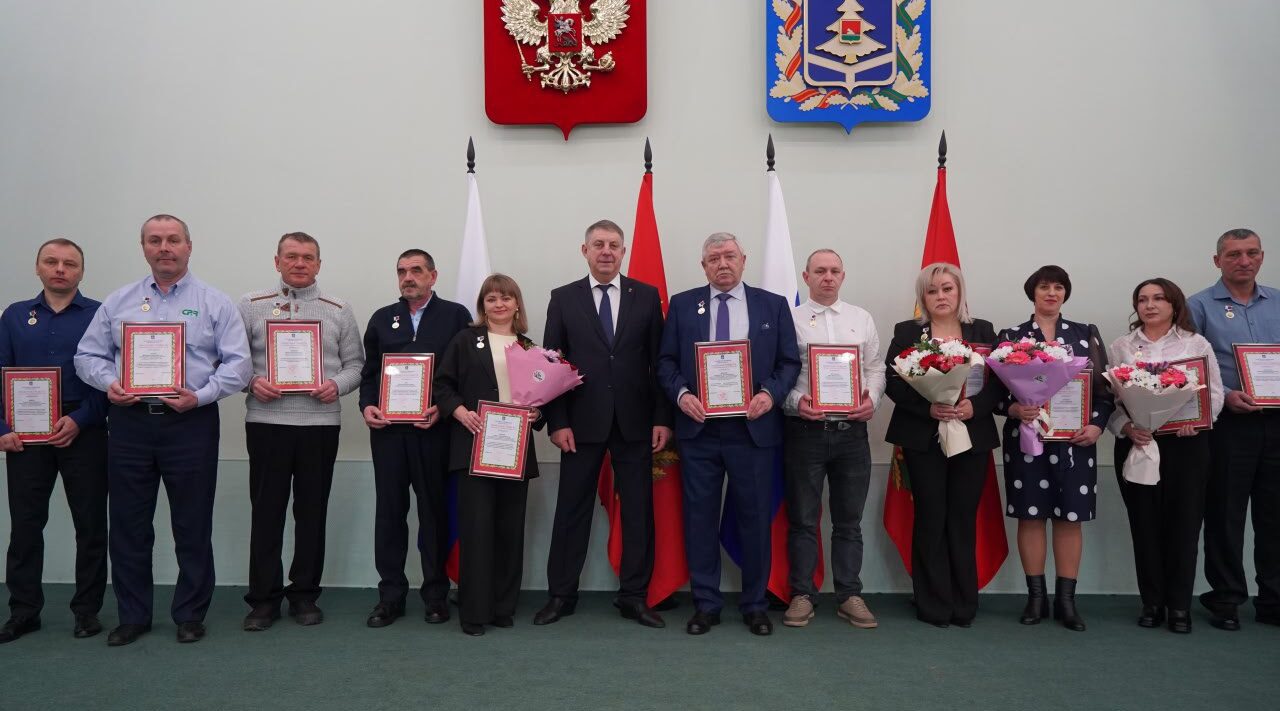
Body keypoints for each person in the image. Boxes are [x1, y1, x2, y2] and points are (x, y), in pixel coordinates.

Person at [75, 214, 251, 645]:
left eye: (173, 239)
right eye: (155, 240)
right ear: (144, 248)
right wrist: (110, 383)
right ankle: (133, 616)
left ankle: (190, 615)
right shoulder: (118, 302)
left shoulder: (214, 302)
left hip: (191, 423)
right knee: (129, 524)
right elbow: (87, 357)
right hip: (130, 423)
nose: (164, 248)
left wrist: (201, 396)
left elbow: (239, 364)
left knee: (192, 523)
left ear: (189, 246)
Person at [656, 233, 801, 636]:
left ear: (743, 259)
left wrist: (769, 394)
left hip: (752, 430)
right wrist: (682, 395)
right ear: (703, 265)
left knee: (755, 519)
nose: (723, 263)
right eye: (714, 258)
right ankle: (706, 604)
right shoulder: (683, 305)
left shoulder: (772, 304)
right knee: (699, 519)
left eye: (730, 256)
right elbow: (665, 362)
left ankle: (755, 605)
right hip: (699, 430)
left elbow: (789, 362)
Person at [535, 219, 672, 628]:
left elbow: (659, 363)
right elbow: (553, 363)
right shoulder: (563, 298)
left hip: (636, 423)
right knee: (571, 510)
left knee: (638, 512)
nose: (606, 251)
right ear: (585, 251)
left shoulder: (646, 296)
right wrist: (557, 421)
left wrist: (662, 418)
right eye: (598, 244)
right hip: (579, 424)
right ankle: (561, 596)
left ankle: (634, 597)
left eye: (614, 244)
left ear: (624, 251)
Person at [236, 232, 364, 630]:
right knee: (266, 513)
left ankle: (305, 594)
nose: (299, 263)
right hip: (266, 423)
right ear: (277, 262)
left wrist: (336, 385)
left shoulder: (338, 309)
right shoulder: (251, 305)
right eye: (291, 256)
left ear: (319, 264)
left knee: (312, 513)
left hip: (319, 426)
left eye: (308, 257)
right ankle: (263, 600)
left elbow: (356, 365)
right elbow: (232, 361)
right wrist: (251, 382)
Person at [0, 239, 109, 643]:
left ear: (81, 271)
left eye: (70, 263)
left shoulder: (100, 314)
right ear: (38, 268)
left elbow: (109, 376)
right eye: (52, 261)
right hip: (24, 435)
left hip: (84, 429)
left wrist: (80, 419)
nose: (60, 269)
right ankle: (24, 612)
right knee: (25, 526)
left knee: (91, 525)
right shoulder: (14, 316)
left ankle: (87, 611)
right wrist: (1, 428)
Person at [883, 262, 1003, 628]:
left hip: (971, 435)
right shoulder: (907, 332)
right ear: (923, 297)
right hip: (924, 437)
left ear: (959, 291)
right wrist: (928, 408)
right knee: (930, 517)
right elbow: (893, 381)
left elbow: (999, 381)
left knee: (963, 518)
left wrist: (975, 407)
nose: (940, 296)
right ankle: (933, 602)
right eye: (932, 290)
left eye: (947, 288)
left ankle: (964, 603)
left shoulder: (983, 330)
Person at [996, 265, 1114, 631]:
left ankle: (1066, 602)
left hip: (1075, 443)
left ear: (1066, 293)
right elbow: (994, 395)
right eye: (1044, 286)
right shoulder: (1011, 337)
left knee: (1069, 518)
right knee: (1030, 516)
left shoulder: (1085, 335)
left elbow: (1105, 391)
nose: (1051, 293)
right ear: (1032, 292)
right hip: (1027, 441)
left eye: (1059, 287)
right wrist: (1014, 409)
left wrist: (1097, 426)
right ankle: (1036, 598)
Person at [359, 249, 471, 628]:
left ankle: (435, 595)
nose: (408, 277)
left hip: (433, 431)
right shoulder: (382, 318)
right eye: (402, 271)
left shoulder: (455, 316)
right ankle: (390, 596)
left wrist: (443, 408)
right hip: (388, 433)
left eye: (416, 270)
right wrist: (367, 406)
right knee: (390, 514)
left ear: (433, 276)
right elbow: (370, 373)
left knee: (434, 513)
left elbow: (464, 374)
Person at [1108, 278, 1223, 633]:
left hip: (1186, 446)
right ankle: (1152, 603)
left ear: (1174, 304)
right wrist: (1127, 427)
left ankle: (1179, 607)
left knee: (1184, 528)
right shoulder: (1122, 346)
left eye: (1159, 298)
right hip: (1138, 443)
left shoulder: (1196, 343)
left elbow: (1214, 393)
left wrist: (1199, 422)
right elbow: (1111, 402)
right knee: (1144, 527)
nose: (1150, 305)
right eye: (1142, 299)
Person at [434, 274, 545, 636]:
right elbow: (441, 385)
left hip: (515, 449)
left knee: (510, 531)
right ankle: (474, 612)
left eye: (506, 298)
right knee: (477, 530)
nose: (499, 304)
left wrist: (537, 413)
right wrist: (459, 411)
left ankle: (502, 607)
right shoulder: (466, 341)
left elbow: (542, 396)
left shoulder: (529, 347)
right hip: (474, 447)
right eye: (491, 299)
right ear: (483, 305)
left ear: (517, 304)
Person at [780, 249, 885, 630]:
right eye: (820, 271)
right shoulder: (789, 319)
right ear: (806, 277)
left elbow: (875, 368)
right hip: (804, 432)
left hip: (851, 435)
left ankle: (849, 595)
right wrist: (796, 402)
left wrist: (872, 399)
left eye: (834, 271)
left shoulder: (861, 319)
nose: (828, 277)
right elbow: (779, 371)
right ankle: (802, 594)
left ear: (843, 276)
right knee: (803, 520)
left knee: (849, 522)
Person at [1188, 228, 1280, 631]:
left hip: (1277, 423)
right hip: (1229, 424)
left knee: (1275, 516)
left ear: (1262, 256)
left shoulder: (1278, 301)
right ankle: (1226, 598)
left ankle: (1274, 600)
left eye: (1251, 253)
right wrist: (1226, 396)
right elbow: (1189, 367)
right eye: (1234, 254)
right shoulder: (1197, 307)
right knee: (1225, 514)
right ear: (1217, 261)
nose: (1244, 261)